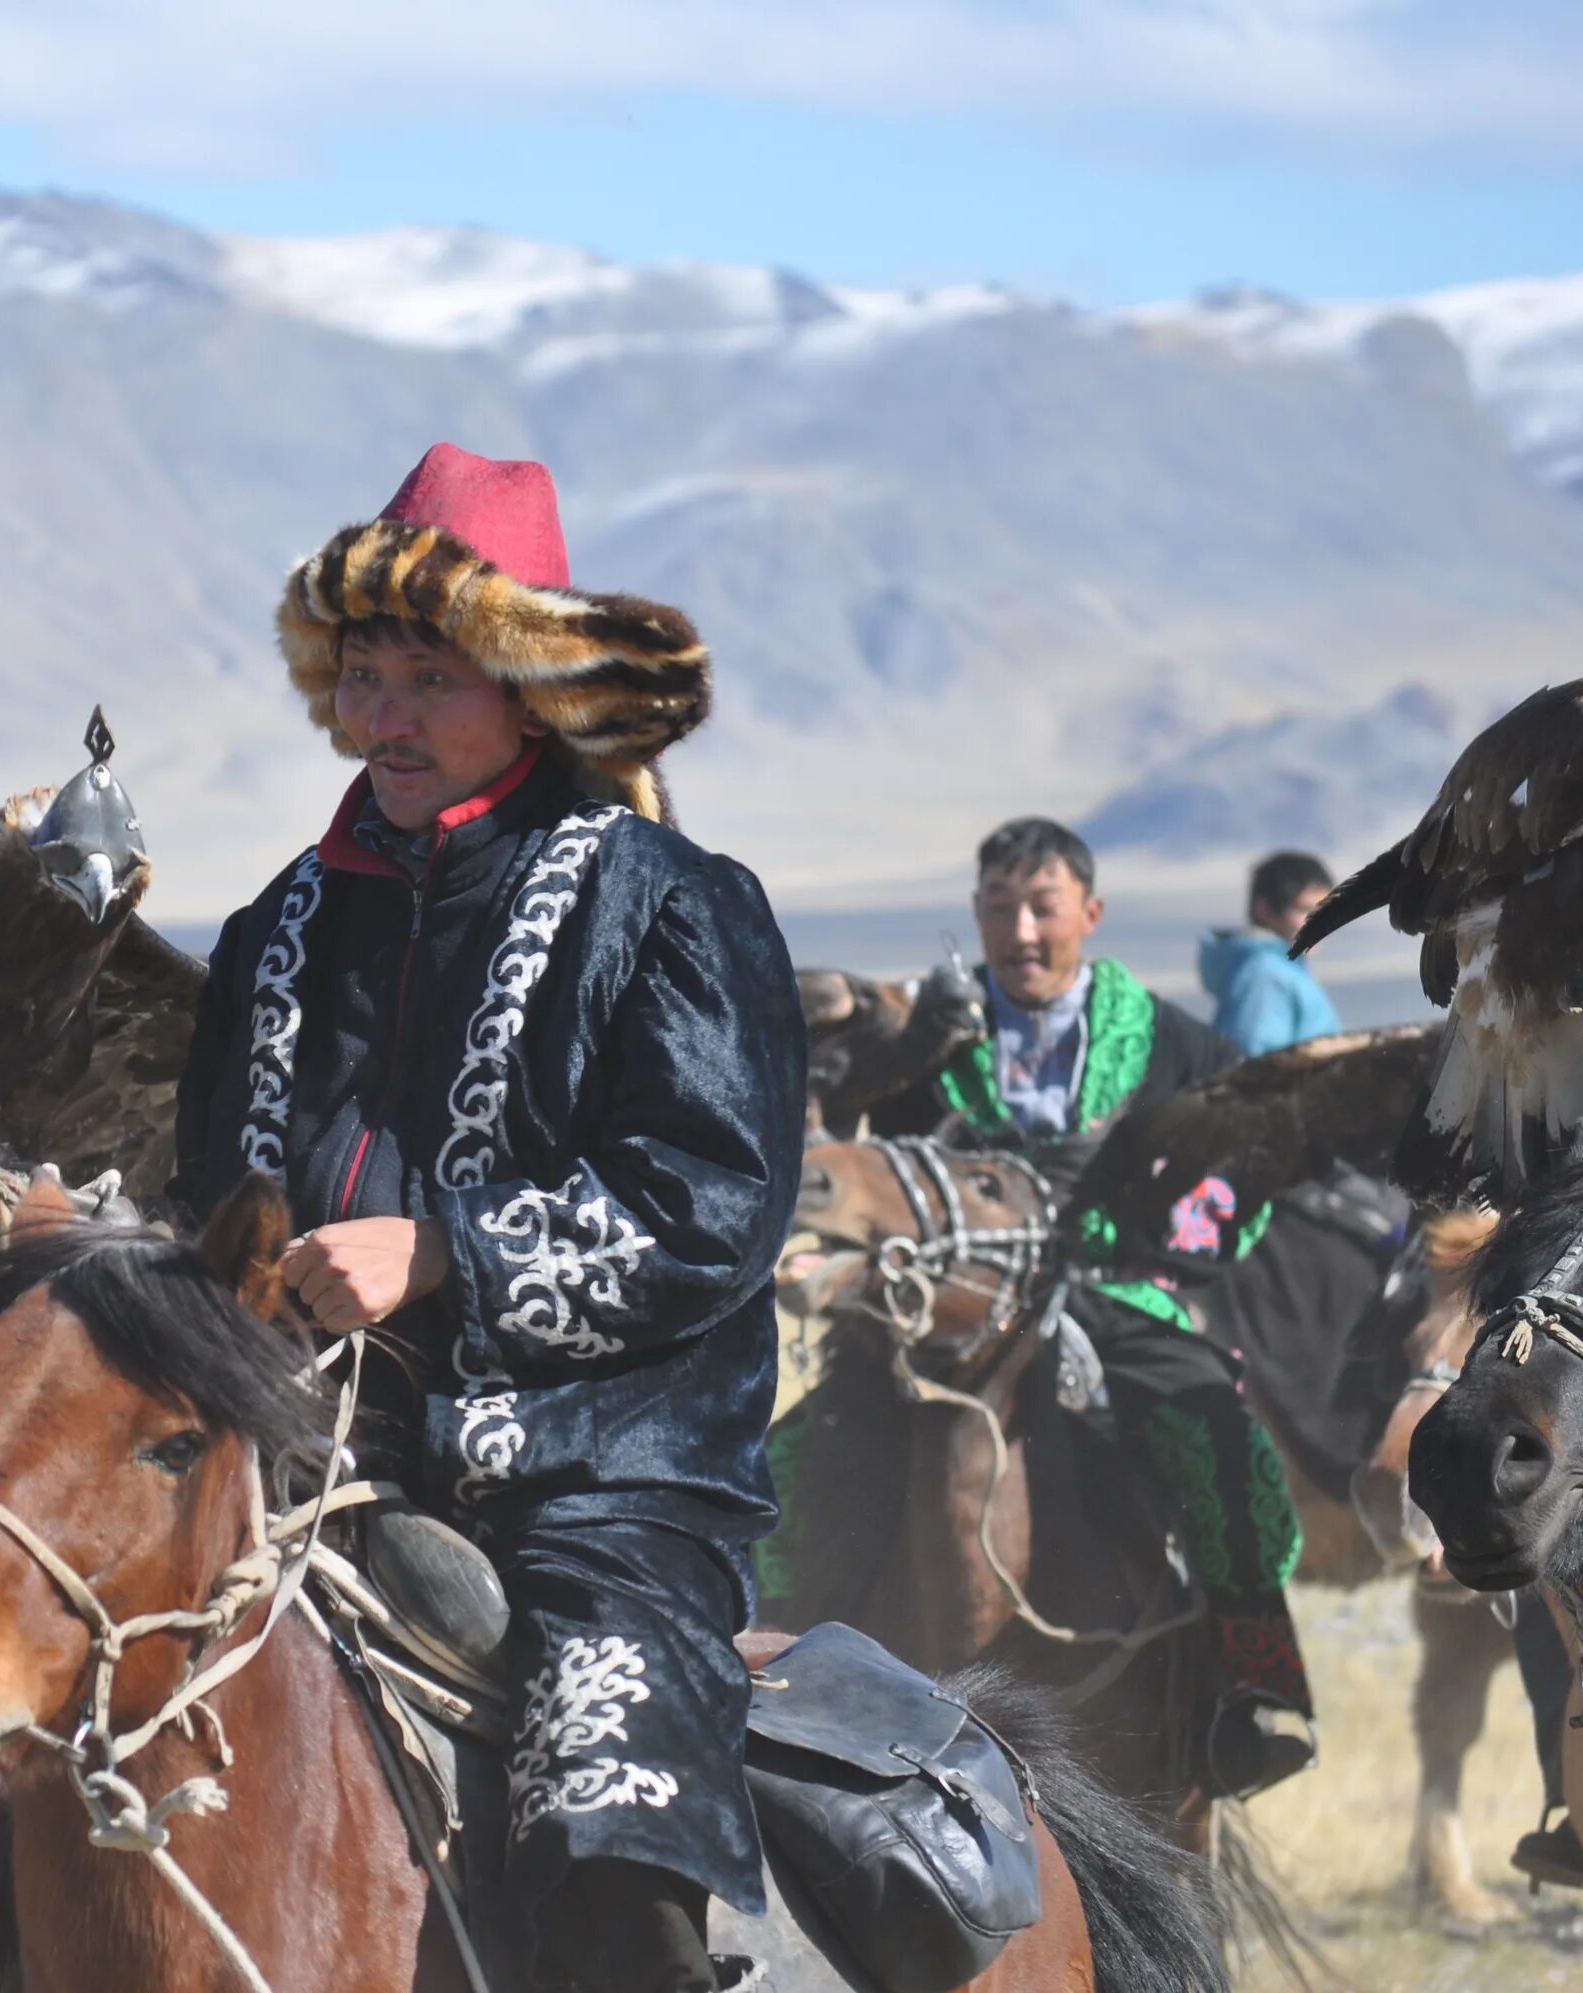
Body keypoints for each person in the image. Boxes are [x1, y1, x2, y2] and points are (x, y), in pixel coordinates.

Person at [170, 443, 807, 1993]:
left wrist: (446, 1246)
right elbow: (208, 1194)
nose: (383, 717)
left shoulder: (669, 898)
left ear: (523, 689)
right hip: (304, 1461)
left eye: (429, 677)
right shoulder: (278, 927)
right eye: (362, 674)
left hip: (604, 1483)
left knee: (610, 1847)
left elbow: (713, 1206)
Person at [868, 818, 1319, 1798]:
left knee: (1217, 1434)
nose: (1021, 931)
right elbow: (875, 1166)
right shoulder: (933, 1043)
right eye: (999, 908)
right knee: (821, 1438)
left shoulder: (1175, 1043)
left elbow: (1248, 1163)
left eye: (1043, 907)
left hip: (1116, 1293)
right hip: (957, 1300)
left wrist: (1160, 1224)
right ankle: (803, 1657)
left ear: (1091, 913)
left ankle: (1247, 1691)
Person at [1201, 850, 1344, 1055]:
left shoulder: (1283, 970)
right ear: (1265, 910)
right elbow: (1255, 1070)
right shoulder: (1266, 974)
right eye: (1305, 910)